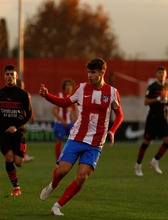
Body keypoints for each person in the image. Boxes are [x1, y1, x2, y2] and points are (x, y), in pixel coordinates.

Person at [38, 58, 124, 216]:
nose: (90, 75)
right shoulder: (82, 88)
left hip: (96, 143)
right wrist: (47, 95)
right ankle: (53, 185)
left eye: (93, 72)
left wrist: (112, 131)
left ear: (102, 73)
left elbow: (119, 115)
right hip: (77, 137)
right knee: (62, 171)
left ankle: (57, 206)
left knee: (82, 175)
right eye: (88, 72)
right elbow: (64, 102)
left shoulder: (112, 92)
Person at [0, 65, 32, 196]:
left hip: (19, 132)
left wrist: (16, 126)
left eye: (12, 74)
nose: (10, 77)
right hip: (4, 131)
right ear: (4, 76)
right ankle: (16, 187)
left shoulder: (23, 94)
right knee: (9, 157)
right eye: (8, 74)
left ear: (16, 77)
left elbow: (28, 114)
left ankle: (16, 184)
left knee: (19, 162)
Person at [134, 66, 168, 177]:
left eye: (163, 73)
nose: (161, 75)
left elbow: (165, 101)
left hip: (163, 118)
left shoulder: (166, 86)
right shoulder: (152, 87)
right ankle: (138, 165)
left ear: (166, 75)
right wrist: (158, 99)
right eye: (159, 73)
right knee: (146, 142)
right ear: (156, 75)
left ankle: (155, 161)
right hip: (153, 118)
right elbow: (146, 102)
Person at [52, 79, 78, 161]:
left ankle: (69, 159)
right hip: (60, 123)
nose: (68, 87)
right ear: (64, 87)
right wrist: (62, 120)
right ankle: (58, 160)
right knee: (59, 141)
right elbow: (54, 110)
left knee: (75, 140)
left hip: (70, 123)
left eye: (70, 85)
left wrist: (77, 121)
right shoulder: (59, 95)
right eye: (67, 85)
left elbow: (75, 111)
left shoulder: (73, 97)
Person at [16, 78, 35, 162]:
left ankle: (23, 154)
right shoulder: (25, 94)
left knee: (21, 138)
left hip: (21, 119)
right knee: (20, 138)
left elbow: (29, 108)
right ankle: (22, 154)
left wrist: (32, 116)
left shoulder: (25, 94)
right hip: (18, 119)